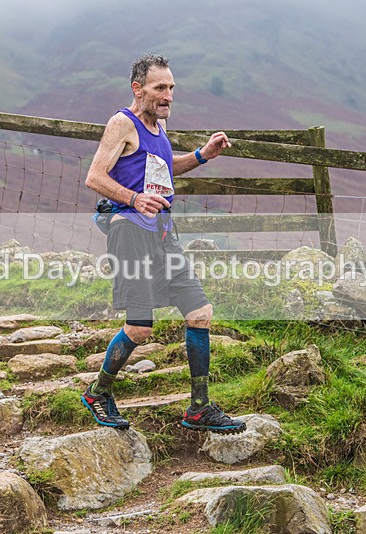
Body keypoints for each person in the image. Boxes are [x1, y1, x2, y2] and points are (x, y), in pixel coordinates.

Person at [82, 53, 246, 434]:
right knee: (140, 328)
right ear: (137, 89)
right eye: (160, 88)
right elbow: (94, 176)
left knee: (199, 312)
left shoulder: (157, 127)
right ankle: (98, 391)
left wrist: (203, 156)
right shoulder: (122, 122)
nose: (168, 95)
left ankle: (199, 409)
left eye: (171, 88)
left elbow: (162, 167)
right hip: (130, 232)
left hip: (163, 232)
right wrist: (133, 198)